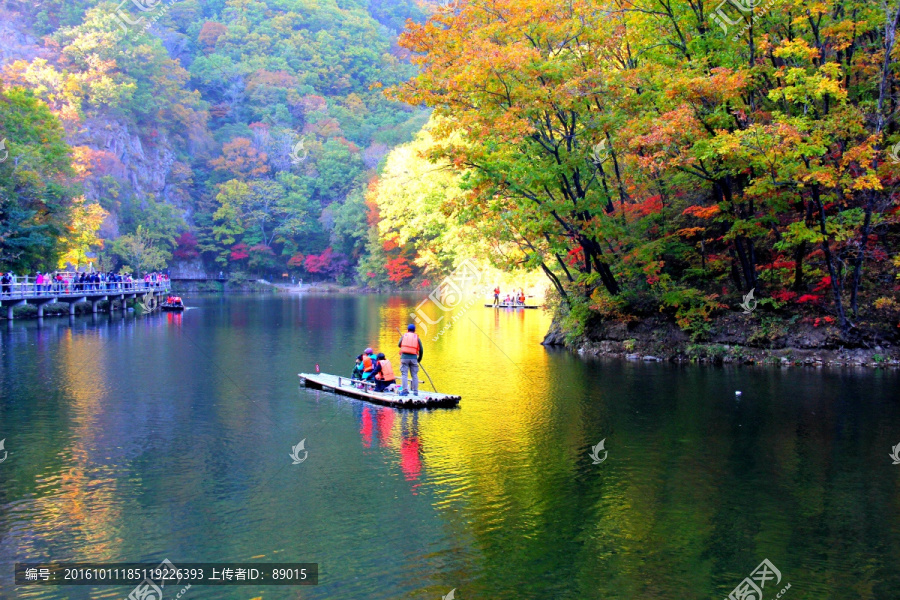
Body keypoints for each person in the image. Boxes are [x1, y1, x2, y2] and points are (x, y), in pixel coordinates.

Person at [398, 324, 423, 397]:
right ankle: (415, 392)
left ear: (407, 330)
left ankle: (405, 391)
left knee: (404, 374)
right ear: (414, 330)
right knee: (414, 375)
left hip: (404, 358)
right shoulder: (417, 338)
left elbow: (399, 345)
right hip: (413, 358)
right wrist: (419, 359)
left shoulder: (404, 336)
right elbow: (421, 349)